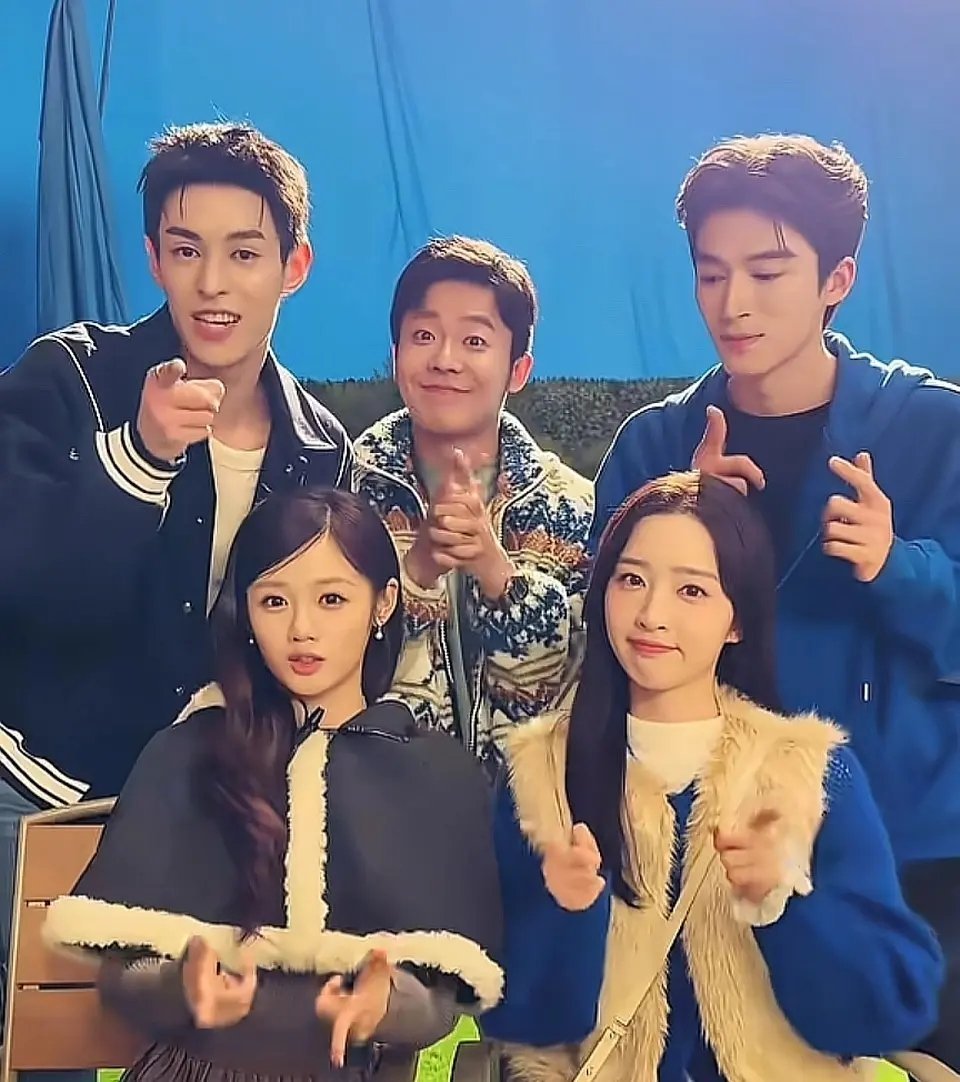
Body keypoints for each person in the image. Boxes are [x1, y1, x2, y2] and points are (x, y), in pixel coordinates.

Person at [590, 134, 960, 1066]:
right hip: (707, 852)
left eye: (766, 271)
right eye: (711, 274)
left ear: (838, 279)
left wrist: (898, 564)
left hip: (910, 854)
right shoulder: (654, 445)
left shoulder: (934, 428)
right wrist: (679, 514)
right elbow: (603, 641)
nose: (734, 303)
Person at [483, 472, 942, 1081]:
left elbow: (885, 1013)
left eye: (692, 591)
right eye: (631, 580)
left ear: (738, 621)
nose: (652, 615)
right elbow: (523, 1021)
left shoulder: (809, 772)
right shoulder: (538, 773)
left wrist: (785, 905)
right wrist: (568, 913)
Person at [44, 489, 503, 1081]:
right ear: (246, 612)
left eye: (332, 599)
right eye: (274, 601)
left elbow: (440, 996)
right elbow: (121, 979)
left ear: (383, 603)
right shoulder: (191, 753)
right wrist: (182, 986)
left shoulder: (430, 772)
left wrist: (388, 1004)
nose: (301, 629)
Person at [354, 236, 593, 775]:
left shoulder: (574, 509)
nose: (445, 360)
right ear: (395, 353)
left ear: (518, 370)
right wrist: (415, 575)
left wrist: (497, 575)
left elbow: (571, 694)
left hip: (533, 813)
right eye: (423, 336)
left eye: (474, 341)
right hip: (384, 804)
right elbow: (330, 667)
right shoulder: (346, 493)